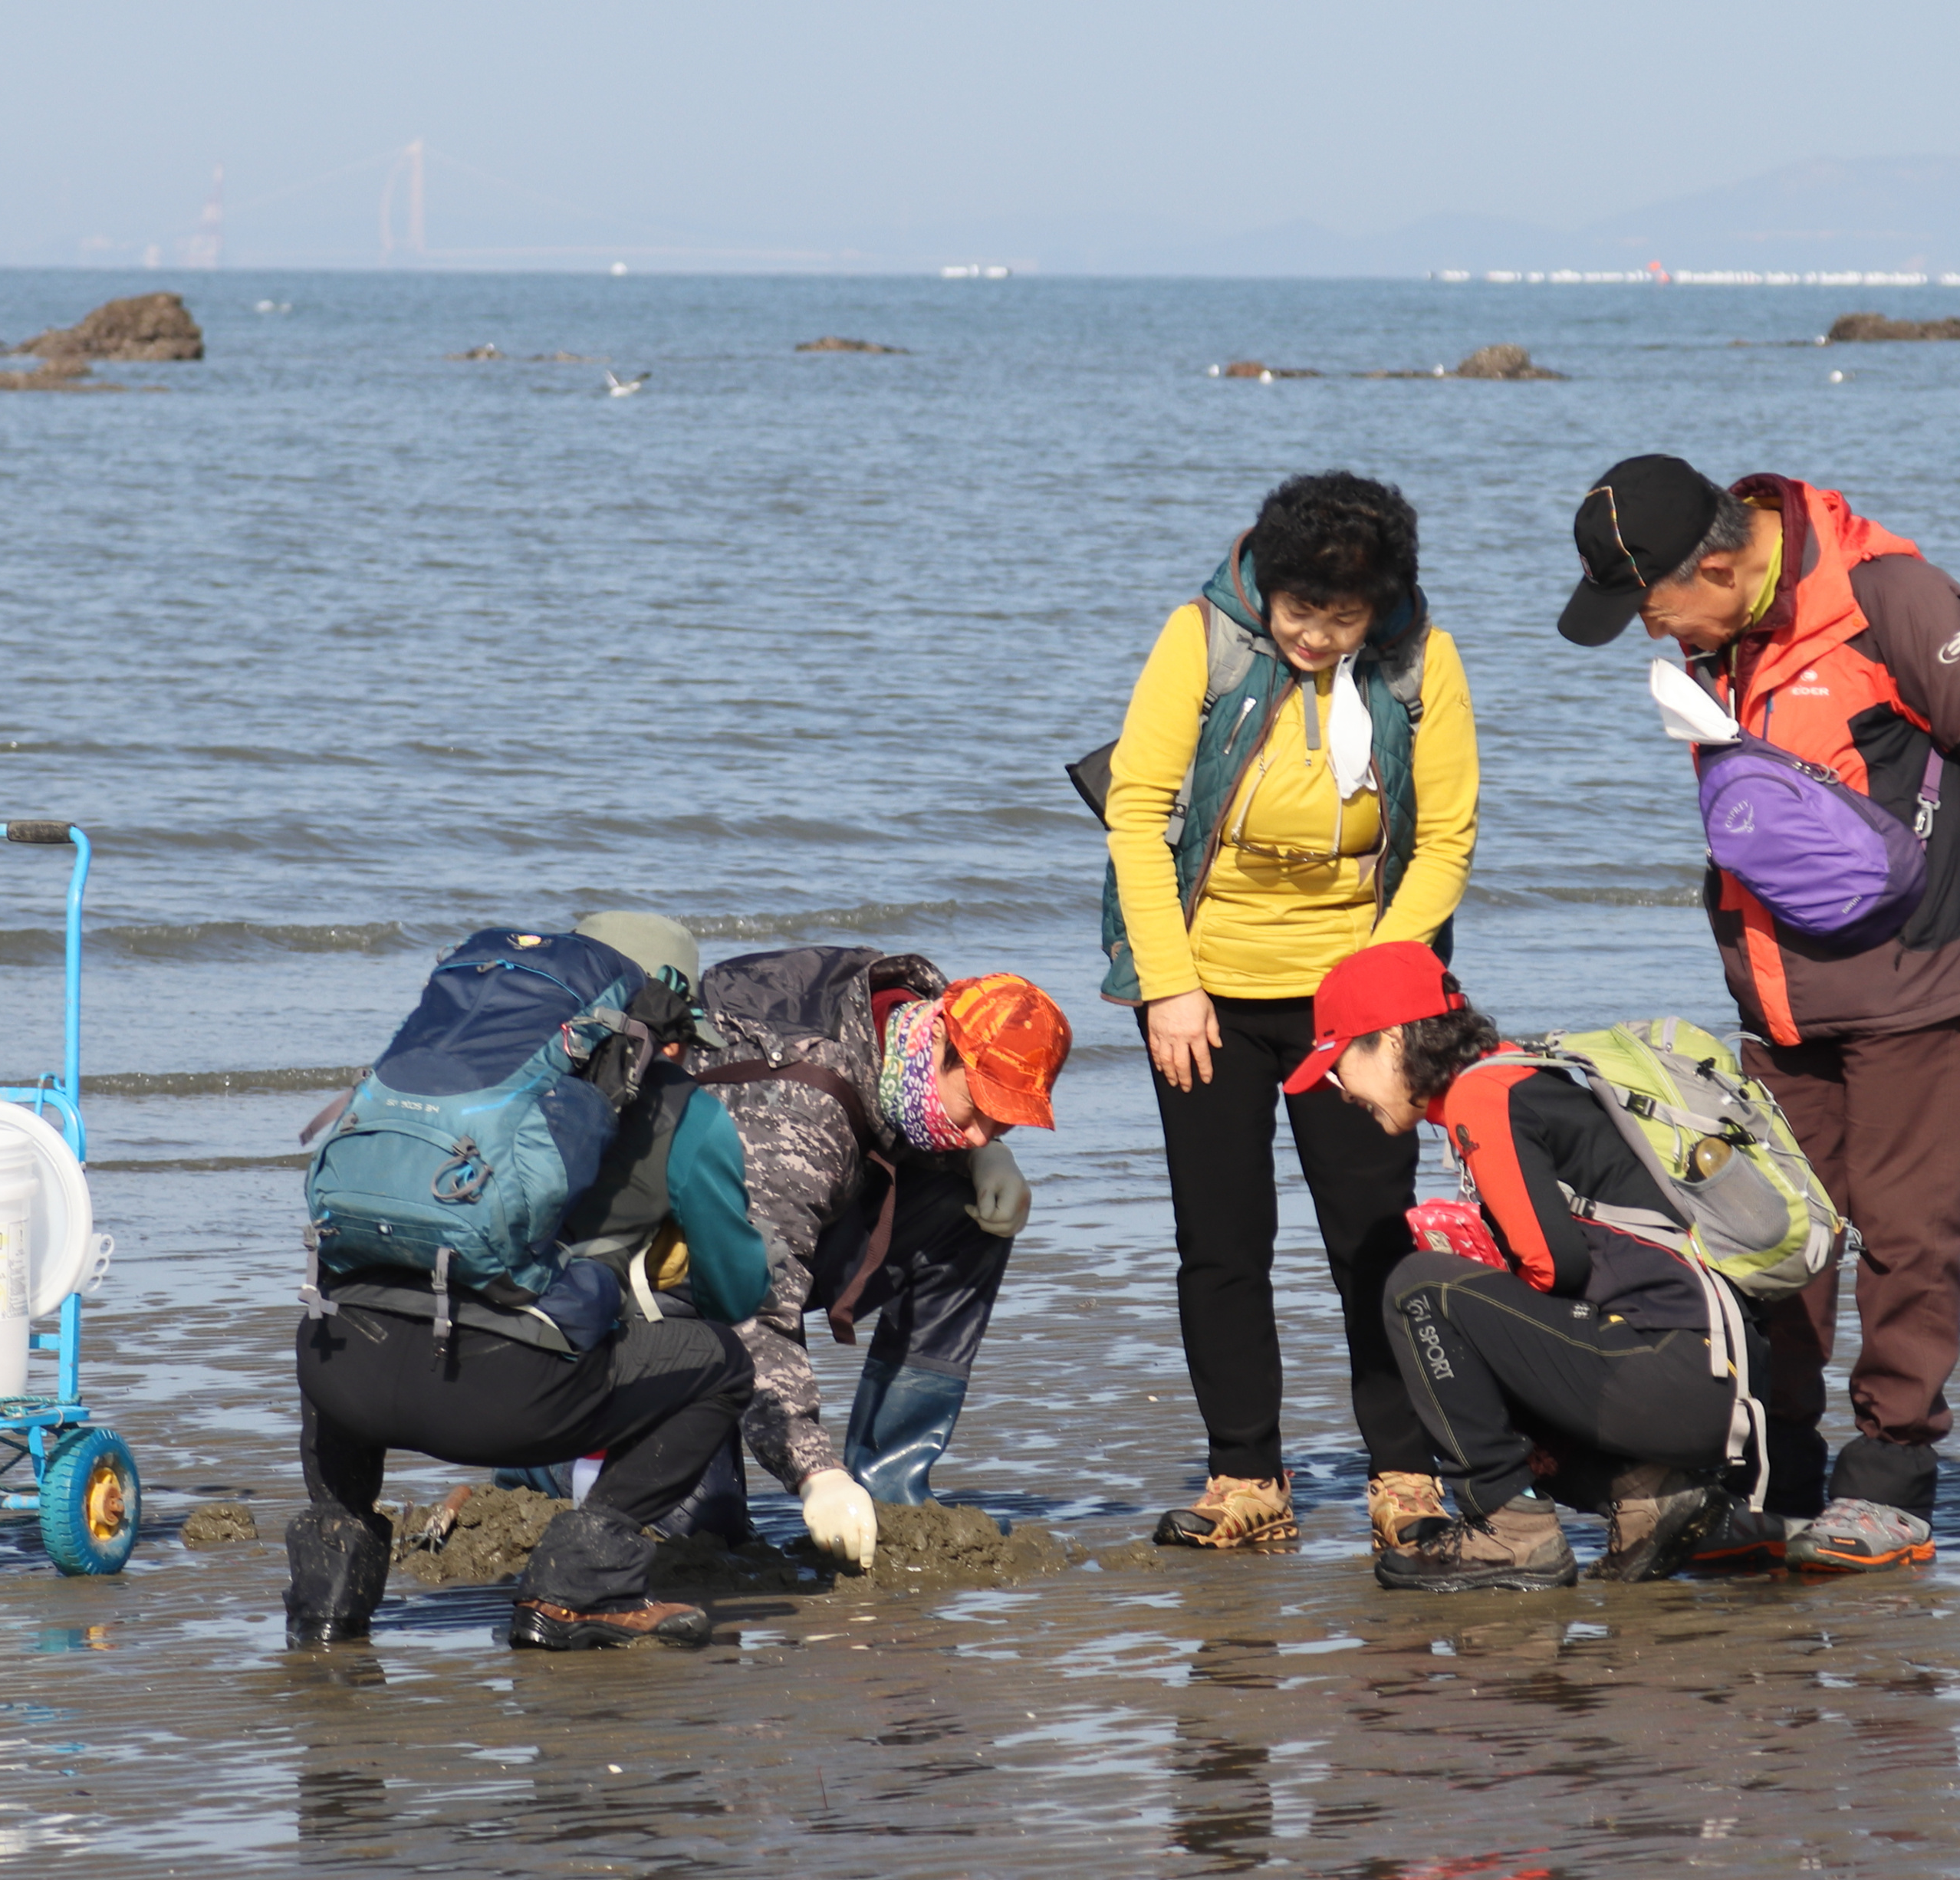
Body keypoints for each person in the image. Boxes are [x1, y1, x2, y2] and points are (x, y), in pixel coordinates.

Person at [1555, 456, 1960, 1573]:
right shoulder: (1722, 636)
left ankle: (1892, 1479)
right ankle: (1776, 1469)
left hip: (1921, 978)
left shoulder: (1892, 599)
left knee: (1907, 1235)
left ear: (1719, 568)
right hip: (1780, 993)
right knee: (1768, 1229)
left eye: (1651, 607)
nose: (1652, 632)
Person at [1100, 471, 1481, 1554]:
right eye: (1298, 608)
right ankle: (1245, 1477)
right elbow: (1136, 813)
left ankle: (1405, 1472)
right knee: (1220, 1242)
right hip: (1205, 990)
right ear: (1265, 584)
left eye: (1342, 616)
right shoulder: (1201, 638)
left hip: (1355, 994)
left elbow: (1445, 839)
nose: (1314, 635)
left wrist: (1377, 996)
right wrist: (1167, 984)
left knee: (1375, 1237)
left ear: (1381, 606)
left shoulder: (1423, 661)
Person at [281, 912, 759, 1654]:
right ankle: (579, 1587)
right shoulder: (686, 1113)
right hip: (504, 1402)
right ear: (665, 1031)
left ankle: (329, 1592)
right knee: (722, 1364)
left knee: (348, 1301)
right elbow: (738, 1294)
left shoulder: (444, 1074)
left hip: (342, 1376)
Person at [1286, 941, 1758, 1592]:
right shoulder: (1518, 1073)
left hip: (1672, 1374)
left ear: (1392, 1041)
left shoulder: (1484, 1095)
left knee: (1417, 1289)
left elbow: (1554, 1265)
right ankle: (1647, 1495)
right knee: (1466, 1322)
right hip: (1709, 1374)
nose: (1338, 1092)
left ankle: (1509, 1528)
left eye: (1338, 1066)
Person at [682, 945, 1073, 1566]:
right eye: (979, 1107)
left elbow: (919, 1120)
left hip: (797, 1215)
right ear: (938, 1040)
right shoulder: (800, 1116)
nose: (982, 1132)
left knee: (969, 1214)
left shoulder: (911, 1029)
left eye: (1005, 1121)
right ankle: (546, 1459)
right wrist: (816, 1473)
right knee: (705, 1532)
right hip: (667, 1273)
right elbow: (755, 1311)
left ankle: (891, 1489)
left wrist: (986, 1158)